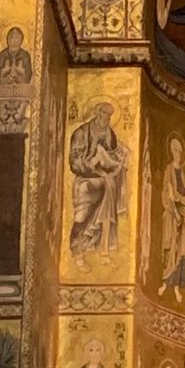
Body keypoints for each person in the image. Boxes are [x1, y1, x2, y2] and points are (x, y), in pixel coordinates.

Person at [68, 102, 130, 257]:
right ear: (97, 113)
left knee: (104, 215)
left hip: (105, 180)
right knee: (82, 217)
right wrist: (91, 162)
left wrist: (118, 159)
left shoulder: (110, 133)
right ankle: (76, 251)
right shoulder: (82, 133)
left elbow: (113, 154)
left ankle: (98, 249)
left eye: (109, 116)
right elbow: (74, 161)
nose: (107, 119)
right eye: (105, 114)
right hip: (86, 181)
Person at [160, 136, 185, 300]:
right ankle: (165, 283)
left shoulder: (183, 175)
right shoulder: (168, 170)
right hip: (172, 217)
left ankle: (177, 287)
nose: (178, 153)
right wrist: (174, 202)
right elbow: (167, 194)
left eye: (180, 150)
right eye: (175, 150)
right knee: (170, 247)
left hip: (182, 217)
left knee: (180, 251)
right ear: (171, 151)